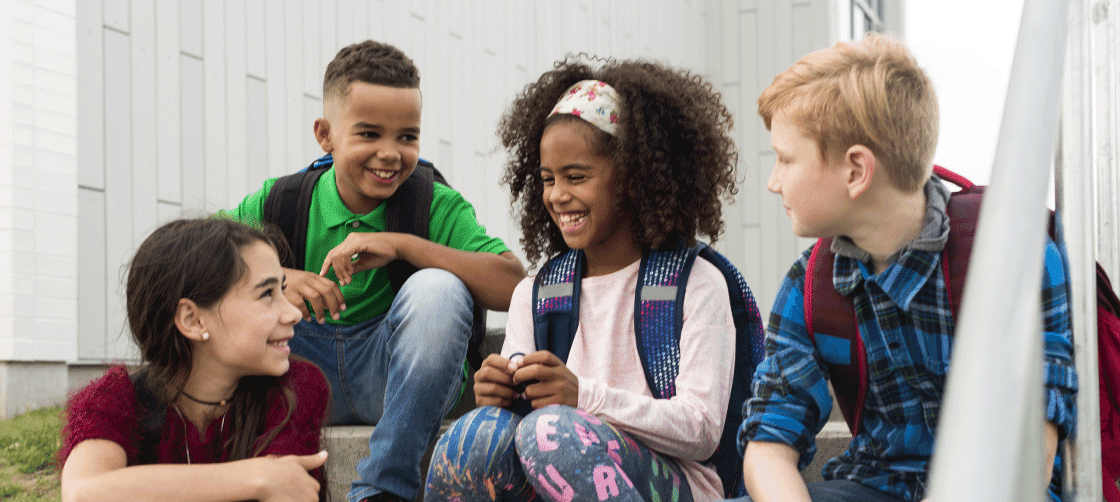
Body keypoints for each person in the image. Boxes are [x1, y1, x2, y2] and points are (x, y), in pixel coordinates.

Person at [735, 35, 1078, 502]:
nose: (774, 182)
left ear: (856, 170)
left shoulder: (1011, 255)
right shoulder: (810, 286)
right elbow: (768, 445)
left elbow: (1035, 445)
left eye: (785, 159)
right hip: (874, 485)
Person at [425, 56, 742, 502]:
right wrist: (497, 393)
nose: (557, 195)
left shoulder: (695, 283)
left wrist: (582, 396)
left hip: (672, 484)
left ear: (633, 178)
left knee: (552, 432)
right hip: (553, 468)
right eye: (548, 179)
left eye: (576, 177)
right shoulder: (535, 293)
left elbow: (702, 430)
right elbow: (519, 423)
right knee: (477, 434)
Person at [222, 40, 526, 502]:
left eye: (407, 136)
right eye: (368, 134)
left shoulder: (432, 204)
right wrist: (277, 278)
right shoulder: (281, 202)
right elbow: (183, 261)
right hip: (298, 372)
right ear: (325, 135)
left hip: (395, 379)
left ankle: (384, 487)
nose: (390, 154)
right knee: (230, 290)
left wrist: (403, 246)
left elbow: (513, 285)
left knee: (439, 288)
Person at [59, 217, 330, 502]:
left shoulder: (296, 388)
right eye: (267, 294)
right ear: (193, 319)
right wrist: (258, 476)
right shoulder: (113, 399)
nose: (293, 313)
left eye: (283, 291)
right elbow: (83, 493)